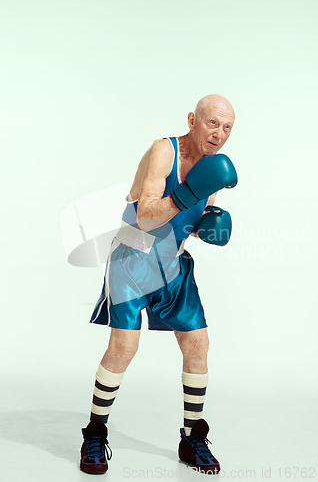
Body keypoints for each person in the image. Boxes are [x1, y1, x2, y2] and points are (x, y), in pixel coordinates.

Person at [80, 94, 237, 475]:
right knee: (124, 346)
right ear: (192, 119)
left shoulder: (213, 168)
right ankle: (95, 433)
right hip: (133, 256)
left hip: (173, 261)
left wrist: (209, 228)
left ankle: (191, 438)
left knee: (198, 343)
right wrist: (189, 192)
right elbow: (148, 217)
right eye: (212, 123)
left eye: (228, 128)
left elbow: (188, 223)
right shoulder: (162, 152)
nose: (219, 134)